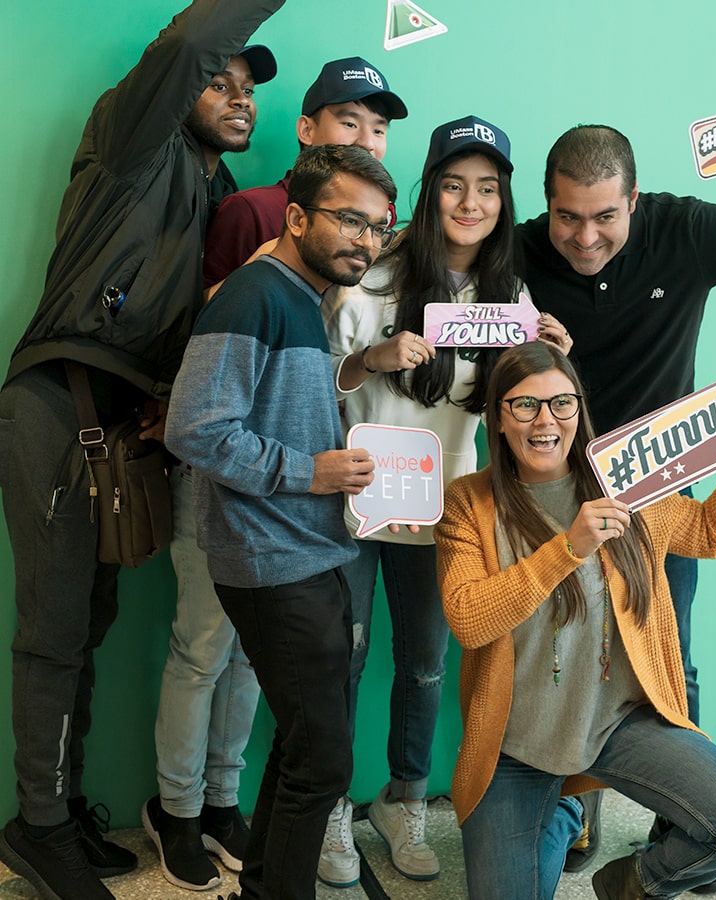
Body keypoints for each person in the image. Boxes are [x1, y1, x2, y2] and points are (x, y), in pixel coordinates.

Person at [0, 4, 281, 899]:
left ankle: (60, 809)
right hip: (57, 402)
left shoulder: (214, 191)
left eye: (249, 91)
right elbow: (191, 39)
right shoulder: (131, 139)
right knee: (52, 633)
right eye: (218, 82)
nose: (237, 99)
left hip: (122, 428)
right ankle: (35, 829)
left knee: (87, 625)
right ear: (175, 84)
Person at [518, 123, 716, 884]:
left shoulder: (689, 228)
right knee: (558, 651)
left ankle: (685, 822)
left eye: (605, 217)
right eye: (567, 217)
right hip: (548, 483)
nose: (584, 237)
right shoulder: (516, 250)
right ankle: (575, 800)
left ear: (636, 202)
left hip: (658, 488)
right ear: (545, 205)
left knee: (668, 655)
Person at [151, 55, 406, 892]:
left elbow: (287, 398)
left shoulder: (304, 299)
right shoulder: (256, 295)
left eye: (378, 228)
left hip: (315, 551)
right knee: (322, 763)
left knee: (305, 752)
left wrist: (357, 373)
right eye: (348, 221)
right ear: (296, 217)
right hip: (271, 557)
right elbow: (196, 430)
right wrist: (314, 472)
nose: (365, 241)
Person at [433, 341, 716, 899]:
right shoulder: (467, 503)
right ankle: (569, 807)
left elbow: (710, 533)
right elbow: (469, 620)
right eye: (525, 406)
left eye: (561, 403)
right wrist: (567, 548)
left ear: (579, 411)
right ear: (497, 417)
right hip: (513, 745)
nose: (546, 421)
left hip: (616, 724)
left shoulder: (626, 485)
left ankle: (632, 879)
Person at [323, 115, 571, 887]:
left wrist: (546, 360)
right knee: (343, 661)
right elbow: (318, 381)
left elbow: (524, 409)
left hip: (449, 512)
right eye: (456, 185)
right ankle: (330, 809)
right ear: (432, 194)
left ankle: (405, 800)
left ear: (503, 201)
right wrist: (373, 356)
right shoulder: (374, 275)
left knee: (426, 665)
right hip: (361, 504)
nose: (472, 202)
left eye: (489, 189)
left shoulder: (513, 293)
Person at [203, 55, 408, 290]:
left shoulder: (377, 227)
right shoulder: (251, 209)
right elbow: (200, 309)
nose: (367, 142)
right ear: (306, 130)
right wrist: (266, 266)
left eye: (379, 130)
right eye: (350, 124)